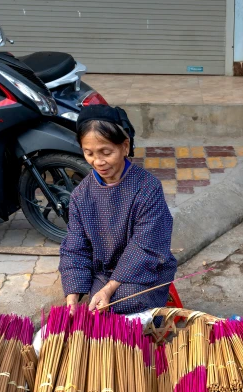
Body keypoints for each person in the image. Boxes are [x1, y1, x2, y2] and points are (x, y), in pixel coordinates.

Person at [59, 105, 177, 314]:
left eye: (106, 152)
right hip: (103, 272)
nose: (98, 161)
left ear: (124, 146)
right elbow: (75, 246)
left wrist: (109, 288)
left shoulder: (148, 188)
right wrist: (72, 296)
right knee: (92, 307)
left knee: (121, 304)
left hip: (146, 271)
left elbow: (146, 246)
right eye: (89, 153)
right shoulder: (81, 195)